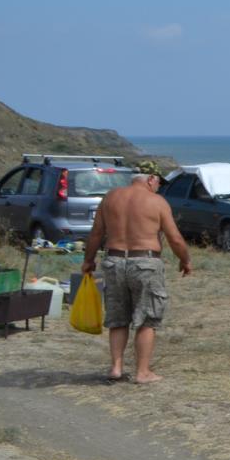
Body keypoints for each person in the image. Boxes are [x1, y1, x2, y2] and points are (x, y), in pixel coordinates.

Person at [81, 160, 192, 384]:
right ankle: (143, 372)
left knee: (118, 318)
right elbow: (175, 238)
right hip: (145, 263)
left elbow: (96, 233)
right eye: (158, 182)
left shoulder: (110, 197)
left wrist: (88, 261)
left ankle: (116, 368)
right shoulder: (156, 202)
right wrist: (185, 260)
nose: (158, 186)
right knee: (147, 318)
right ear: (150, 179)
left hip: (114, 261)